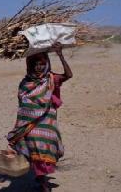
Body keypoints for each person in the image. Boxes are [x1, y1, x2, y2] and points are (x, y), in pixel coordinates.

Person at [7, 43, 73, 192]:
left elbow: (68, 75)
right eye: (35, 64)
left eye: (42, 64)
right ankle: (43, 183)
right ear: (30, 66)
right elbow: (23, 105)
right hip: (30, 123)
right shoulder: (26, 83)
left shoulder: (51, 79)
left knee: (47, 149)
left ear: (46, 65)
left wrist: (60, 55)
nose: (39, 67)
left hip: (47, 121)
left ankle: (41, 178)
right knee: (36, 149)